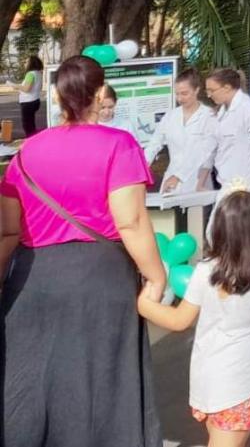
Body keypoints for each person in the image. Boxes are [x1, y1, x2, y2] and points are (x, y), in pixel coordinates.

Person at [0, 55, 166, 445]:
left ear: (57, 97)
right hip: (100, 278)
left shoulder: (26, 153)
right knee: (103, 383)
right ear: (98, 94)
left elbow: (8, 230)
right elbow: (131, 221)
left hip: (33, 278)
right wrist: (156, 275)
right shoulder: (118, 144)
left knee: (34, 385)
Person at [136, 190, 250, 447]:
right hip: (242, 385)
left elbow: (179, 320)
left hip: (206, 382)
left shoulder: (205, 271)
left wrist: (144, 304)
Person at [146, 68, 217, 194]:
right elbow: (154, 144)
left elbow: (205, 153)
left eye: (184, 93)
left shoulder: (209, 116)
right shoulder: (170, 116)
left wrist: (180, 176)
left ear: (196, 90)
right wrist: (144, 165)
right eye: (177, 94)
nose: (180, 98)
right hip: (171, 181)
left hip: (198, 180)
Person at [206, 68, 250, 195]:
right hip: (227, 183)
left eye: (212, 90)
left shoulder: (248, 110)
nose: (209, 95)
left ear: (227, 87)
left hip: (244, 186)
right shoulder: (222, 111)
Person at [16, 54, 42, 137]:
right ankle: (33, 139)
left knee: (27, 125)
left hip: (28, 102)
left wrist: (15, 86)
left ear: (32, 63)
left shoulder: (30, 74)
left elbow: (27, 89)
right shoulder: (38, 73)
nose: (25, 63)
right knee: (31, 123)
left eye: (27, 62)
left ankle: (30, 142)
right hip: (35, 100)